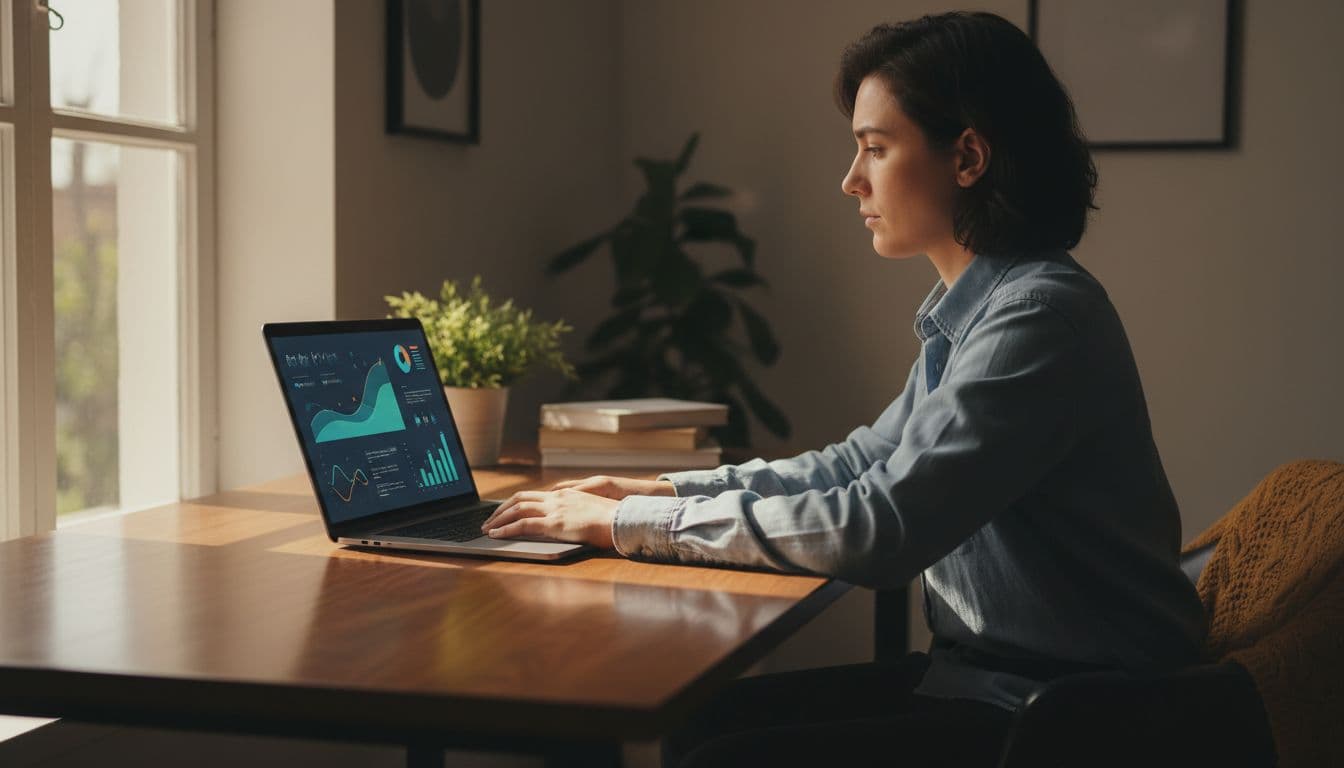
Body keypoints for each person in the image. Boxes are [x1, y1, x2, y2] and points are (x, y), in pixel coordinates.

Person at [481, 10, 1206, 767]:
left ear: (967, 157)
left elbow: (881, 526)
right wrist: (659, 490)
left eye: (876, 148)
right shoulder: (980, 312)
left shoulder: (1036, 318)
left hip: (1078, 717)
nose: (851, 179)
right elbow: (858, 465)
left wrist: (626, 523)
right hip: (991, 682)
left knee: (720, 755)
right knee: (706, 721)